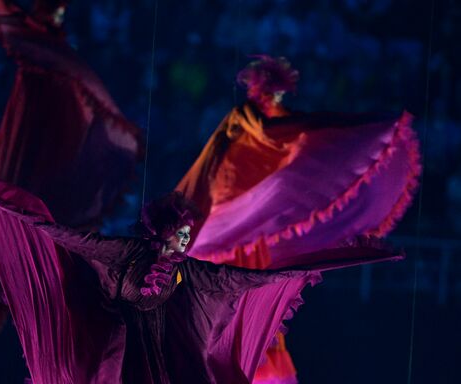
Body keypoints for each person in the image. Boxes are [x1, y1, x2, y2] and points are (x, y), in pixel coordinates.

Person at [0, 161, 402, 384]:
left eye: (185, 238)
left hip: (173, 363)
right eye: (177, 235)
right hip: (123, 358)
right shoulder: (125, 254)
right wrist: (13, 212)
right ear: (160, 231)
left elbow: (247, 279)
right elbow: (69, 239)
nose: (182, 243)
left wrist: (323, 262)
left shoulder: (193, 274)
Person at [176, 55, 421, 383]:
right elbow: (220, 166)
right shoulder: (245, 119)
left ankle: (242, 356)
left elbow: (300, 132)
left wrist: (350, 126)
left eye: (279, 95)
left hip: (248, 232)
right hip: (227, 224)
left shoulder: (274, 125)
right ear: (259, 90)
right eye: (272, 93)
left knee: (252, 303)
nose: (276, 100)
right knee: (224, 305)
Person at [0, 0, 142, 334]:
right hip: (33, 128)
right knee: (14, 193)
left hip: (51, 130)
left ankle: (37, 276)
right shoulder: (33, 40)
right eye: (54, 11)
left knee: (41, 199)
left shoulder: (52, 48)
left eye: (60, 12)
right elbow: (3, 16)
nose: (59, 17)